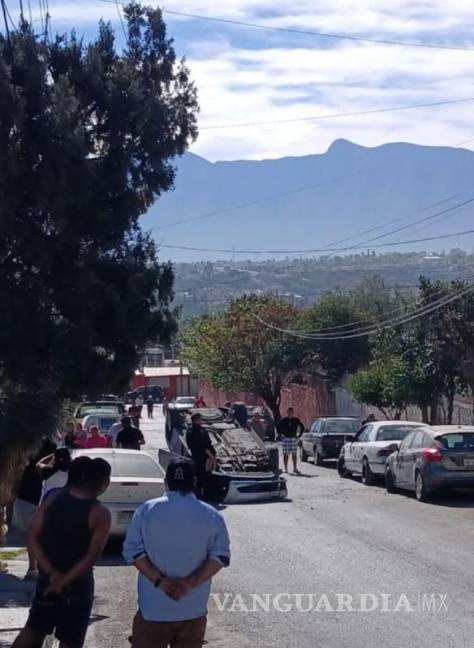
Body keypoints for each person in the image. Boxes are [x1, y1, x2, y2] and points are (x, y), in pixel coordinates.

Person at [123, 459, 230, 648]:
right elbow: (220, 557)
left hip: (153, 609)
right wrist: (189, 584)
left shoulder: (146, 511)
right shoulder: (212, 515)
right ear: (194, 483)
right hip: (193, 609)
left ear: (166, 482)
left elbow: (132, 551)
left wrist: (161, 582)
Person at [12, 457, 112, 648]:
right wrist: (62, 581)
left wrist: (51, 573)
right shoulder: (100, 513)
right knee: (70, 641)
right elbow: (90, 558)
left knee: (33, 631)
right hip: (77, 586)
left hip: (46, 582)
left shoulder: (52, 498)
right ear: (104, 483)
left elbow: (33, 537)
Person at [13, 438, 57, 580]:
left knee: (32, 535)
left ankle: (33, 568)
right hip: (41, 502)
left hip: (27, 500)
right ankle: (41, 567)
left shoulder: (26, 462)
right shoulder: (53, 468)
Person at [186, 413, 217, 500]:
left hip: (195, 456)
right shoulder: (200, 430)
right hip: (203, 456)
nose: (201, 421)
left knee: (197, 475)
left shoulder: (189, 430)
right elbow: (205, 445)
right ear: (196, 420)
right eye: (200, 419)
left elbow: (189, 445)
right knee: (205, 475)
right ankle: (205, 494)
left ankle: (197, 493)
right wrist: (211, 455)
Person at [277, 407, 305, 475]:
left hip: (293, 438)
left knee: (294, 454)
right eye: (288, 412)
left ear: (293, 412)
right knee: (286, 454)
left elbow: (302, 427)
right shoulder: (284, 420)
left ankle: (295, 468)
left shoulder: (296, 420)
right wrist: (280, 435)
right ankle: (286, 468)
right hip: (286, 438)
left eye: (291, 412)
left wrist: (299, 435)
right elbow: (278, 427)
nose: (289, 413)